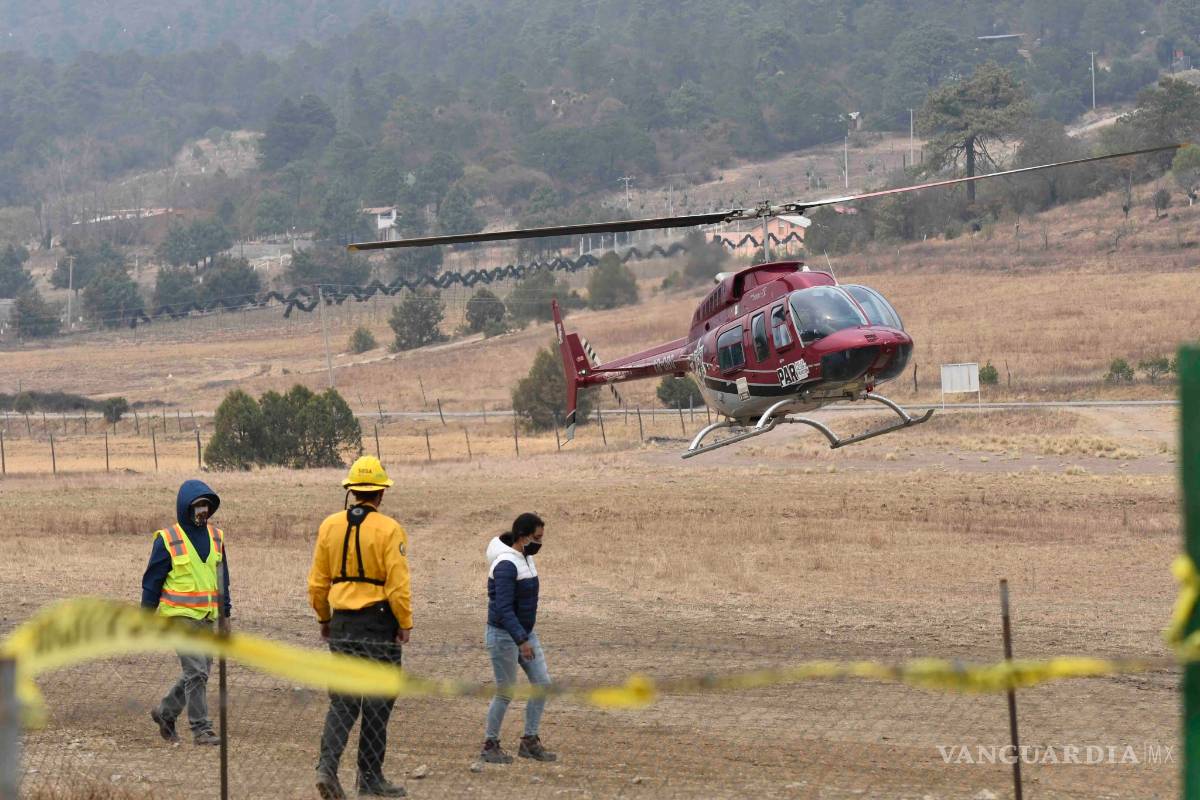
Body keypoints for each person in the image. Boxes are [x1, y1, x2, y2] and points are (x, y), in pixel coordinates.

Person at [308, 456, 413, 800]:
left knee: (343, 700)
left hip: (341, 623)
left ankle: (326, 768)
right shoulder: (389, 529)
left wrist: (324, 618)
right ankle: (369, 777)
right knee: (379, 699)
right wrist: (405, 623)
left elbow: (317, 583)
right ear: (381, 492)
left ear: (351, 491)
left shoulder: (329, 526)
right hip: (378, 623)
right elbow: (397, 585)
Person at [143, 479, 230, 747]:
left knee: (198, 671)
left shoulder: (216, 537)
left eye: (206, 506)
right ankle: (201, 729)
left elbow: (223, 579)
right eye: (197, 506)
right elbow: (152, 581)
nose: (202, 511)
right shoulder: (167, 540)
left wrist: (225, 615)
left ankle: (165, 713)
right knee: (197, 673)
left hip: (206, 617)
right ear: (185, 508)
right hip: (178, 618)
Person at [480, 512, 557, 764]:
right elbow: (503, 608)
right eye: (536, 538)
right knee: (505, 691)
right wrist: (521, 640)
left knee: (542, 684)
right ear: (523, 537)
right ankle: (490, 745)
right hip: (504, 636)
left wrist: (525, 636)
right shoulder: (505, 564)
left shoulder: (524, 557)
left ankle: (529, 741)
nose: (539, 543)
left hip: (524, 633)